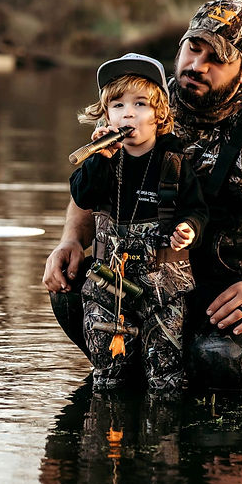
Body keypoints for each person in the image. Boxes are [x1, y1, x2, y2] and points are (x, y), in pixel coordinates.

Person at [43, 0, 242, 391]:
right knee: (70, 289)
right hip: (150, 272)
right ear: (180, 45)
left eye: (217, 58)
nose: (197, 66)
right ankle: (129, 376)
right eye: (194, 48)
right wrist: (71, 239)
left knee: (215, 360)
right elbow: (98, 172)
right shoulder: (145, 101)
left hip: (236, 287)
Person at [70, 53, 207, 393]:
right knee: (108, 375)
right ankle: (108, 436)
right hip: (108, 285)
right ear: (106, 116)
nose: (128, 112)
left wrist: (189, 228)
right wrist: (97, 159)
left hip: (164, 287)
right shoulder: (101, 159)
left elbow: (198, 210)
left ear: (159, 114)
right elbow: (83, 196)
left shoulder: (174, 162)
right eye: (117, 105)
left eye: (140, 103)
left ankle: (159, 437)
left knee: (165, 376)